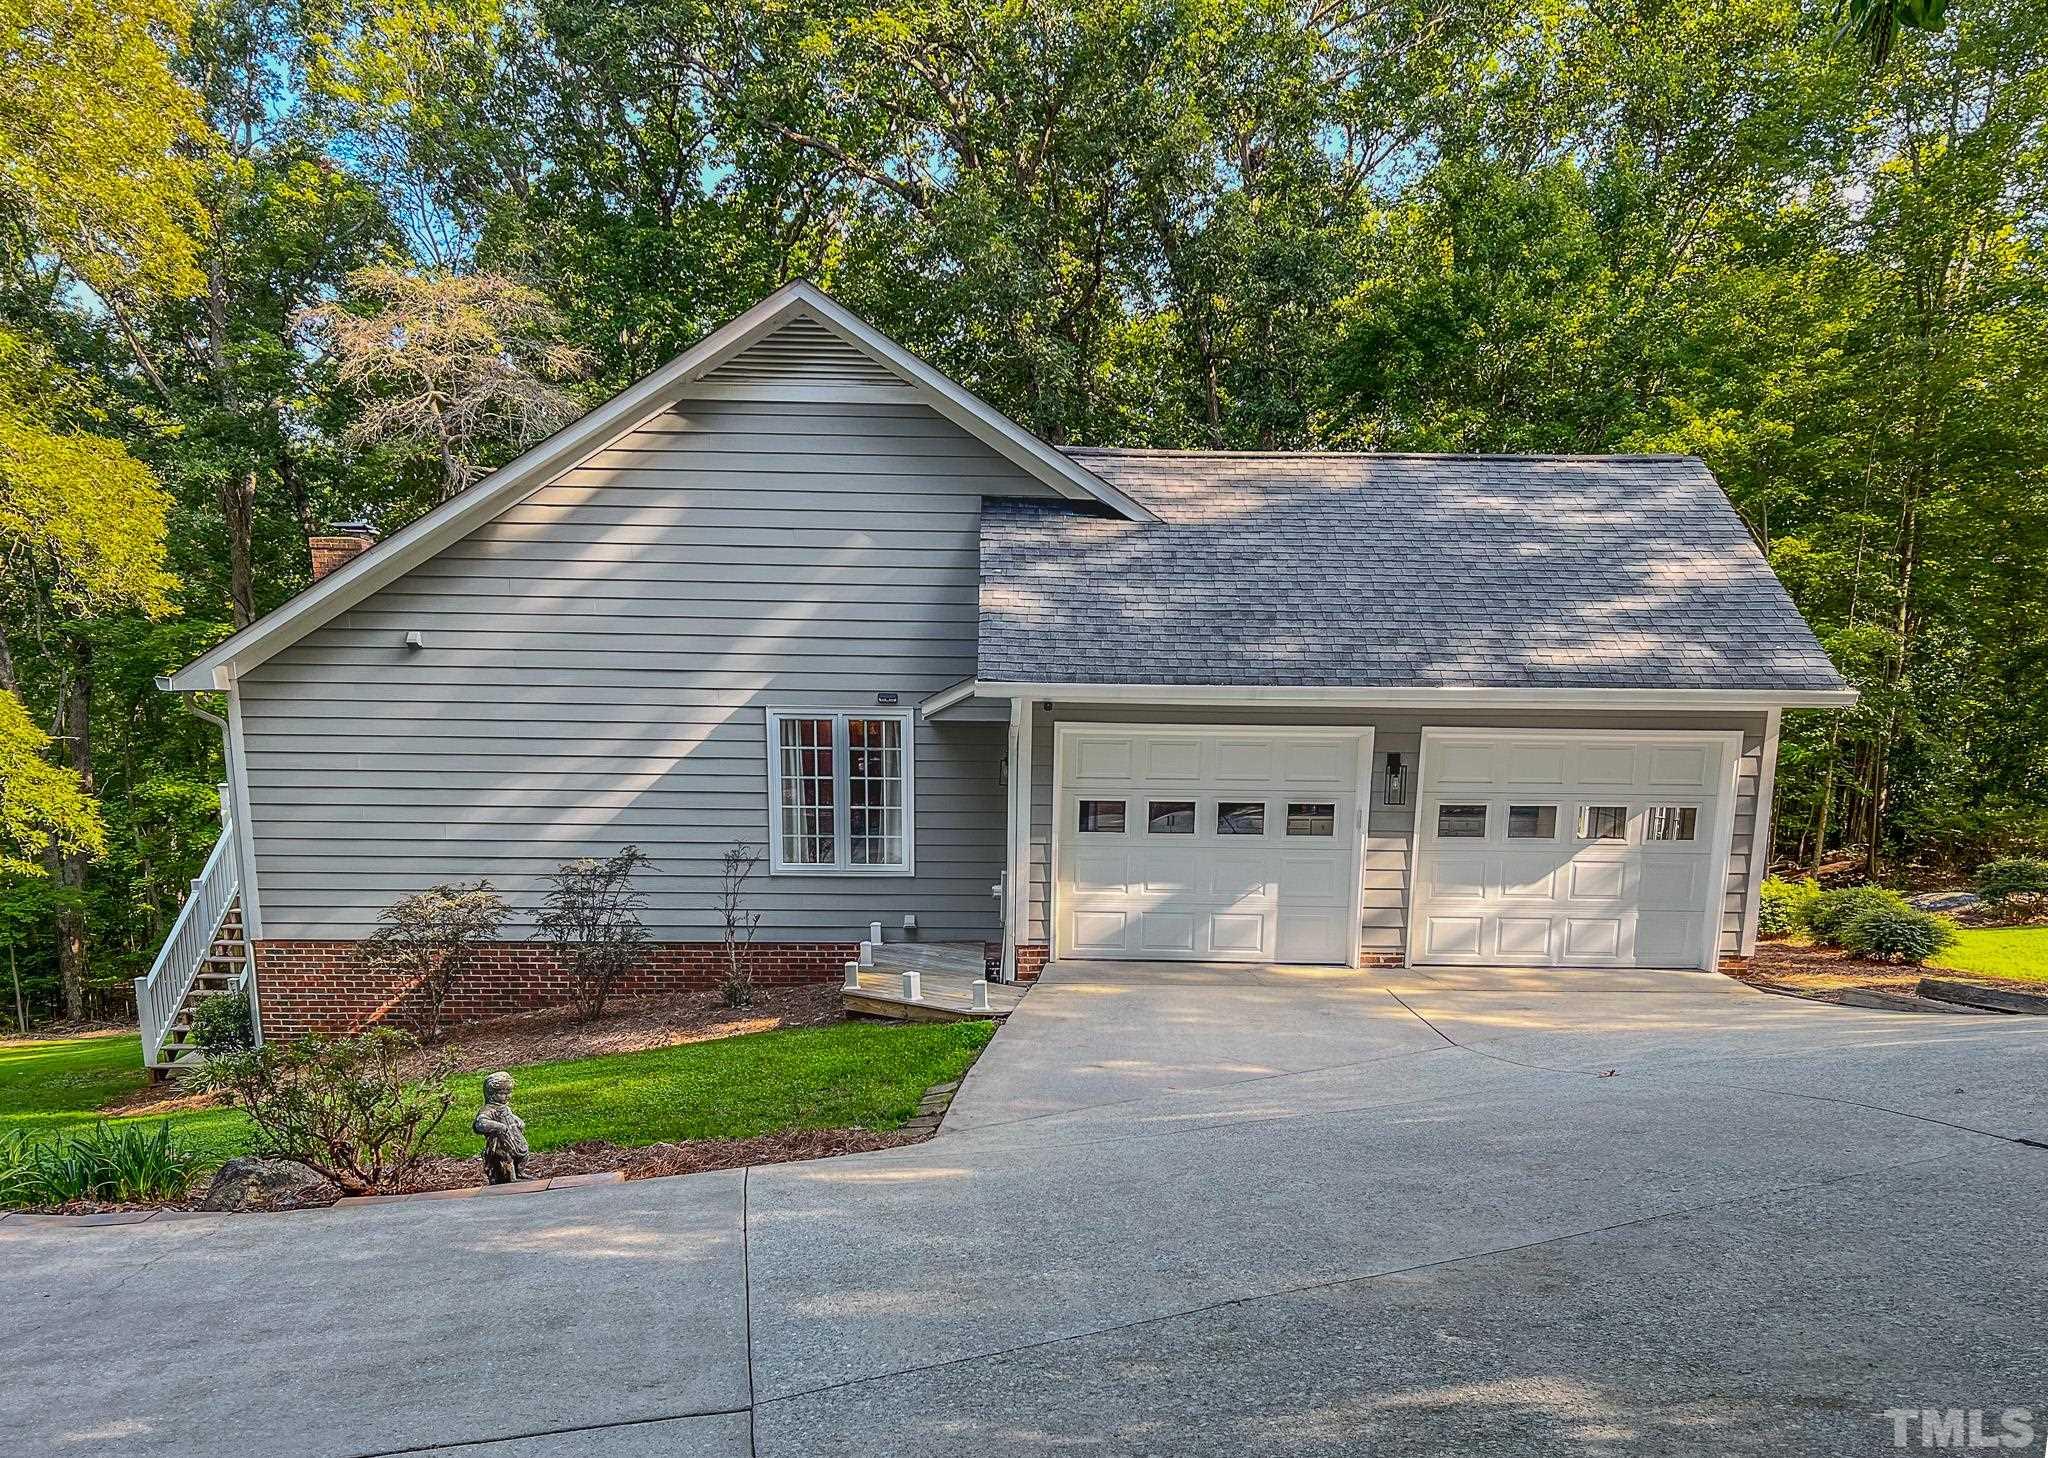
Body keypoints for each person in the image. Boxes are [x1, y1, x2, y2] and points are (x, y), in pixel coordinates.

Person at [473, 1070, 529, 1183]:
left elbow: (511, 1116)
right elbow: (480, 1123)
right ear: (491, 1094)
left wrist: (518, 1121)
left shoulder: (505, 1108)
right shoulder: (488, 1109)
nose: (507, 1096)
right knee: (506, 1158)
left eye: (509, 1092)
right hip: (500, 1143)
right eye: (502, 1093)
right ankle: (509, 1178)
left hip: (514, 1138)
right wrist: (498, 1126)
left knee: (523, 1154)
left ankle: (520, 1172)